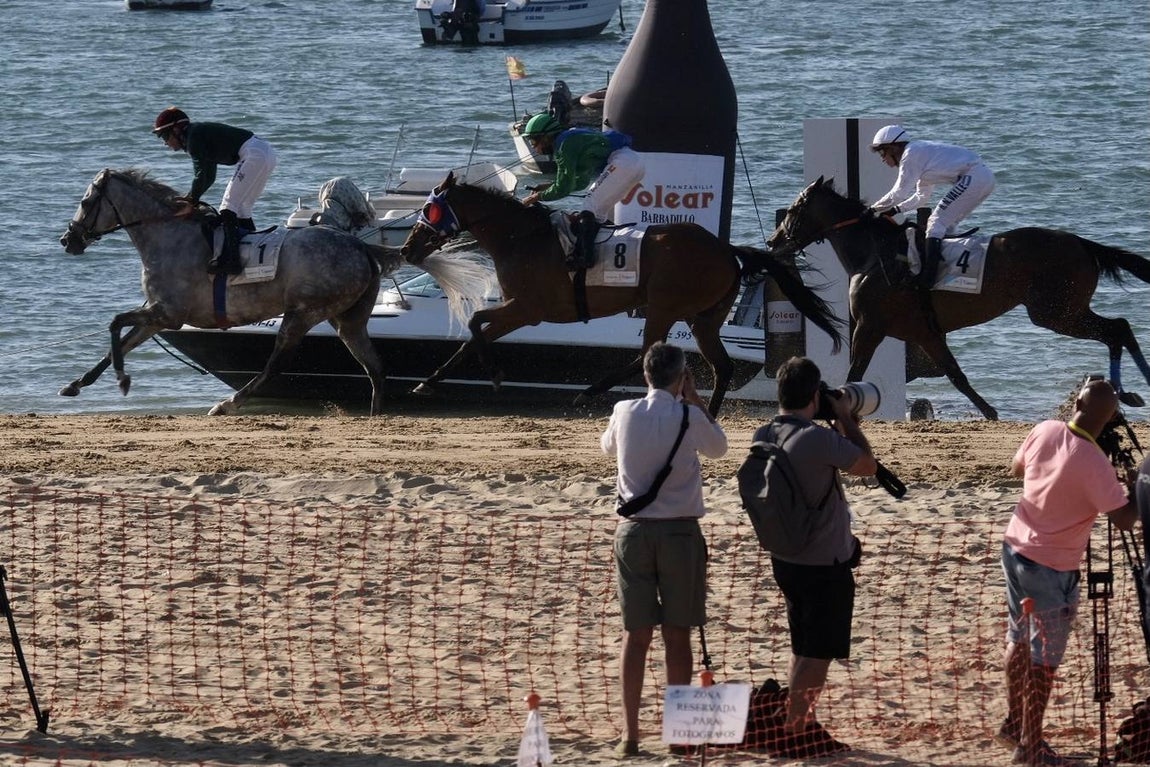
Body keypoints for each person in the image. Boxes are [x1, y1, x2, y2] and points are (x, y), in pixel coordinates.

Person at [999, 379, 1138, 767]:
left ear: (1076, 401)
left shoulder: (1045, 429)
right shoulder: (1095, 464)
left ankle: (1014, 723)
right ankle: (1030, 746)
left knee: (1018, 638)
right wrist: (1136, 488)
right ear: (1110, 418)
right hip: (1052, 566)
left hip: (1015, 546)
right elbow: (1124, 520)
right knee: (1044, 659)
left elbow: (1017, 468)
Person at [599, 342, 728, 758]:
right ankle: (677, 733)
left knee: (635, 636)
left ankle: (630, 734)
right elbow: (719, 448)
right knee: (677, 635)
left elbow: (607, 447)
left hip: (633, 531)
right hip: (679, 533)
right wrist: (696, 400)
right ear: (682, 377)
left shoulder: (624, 411)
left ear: (646, 375)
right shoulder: (689, 415)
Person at [755, 356, 876, 757]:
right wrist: (846, 419)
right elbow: (867, 465)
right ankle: (795, 731)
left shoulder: (765, 432)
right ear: (813, 396)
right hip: (823, 562)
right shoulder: (817, 439)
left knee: (803, 645)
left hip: (786, 556)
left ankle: (798, 720)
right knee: (818, 653)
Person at [867, 124, 995, 294]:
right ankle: (949, 272)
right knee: (946, 225)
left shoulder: (910, 155)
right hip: (982, 178)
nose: (883, 159)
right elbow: (922, 197)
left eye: (882, 153)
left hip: (974, 177)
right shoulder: (920, 157)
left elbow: (898, 193)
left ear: (893, 148)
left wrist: (872, 210)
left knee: (935, 222)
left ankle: (928, 279)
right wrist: (895, 210)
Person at [152, 107, 278, 275]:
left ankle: (233, 261)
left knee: (228, 207)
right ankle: (251, 253)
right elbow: (209, 177)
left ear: (176, 130)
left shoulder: (193, 138)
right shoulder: (196, 135)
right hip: (265, 152)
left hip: (254, 154)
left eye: (164, 136)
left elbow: (201, 175)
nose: (165, 143)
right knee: (242, 209)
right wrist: (192, 198)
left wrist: (191, 200)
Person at [520, 114, 645, 269]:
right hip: (634, 163)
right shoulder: (568, 141)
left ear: (546, 138)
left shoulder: (564, 145)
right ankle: (599, 250)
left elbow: (564, 188)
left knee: (589, 204)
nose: (533, 147)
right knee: (598, 213)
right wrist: (548, 186)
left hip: (623, 162)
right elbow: (580, 182)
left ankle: (585, 258)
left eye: (533, 141)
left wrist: (537, 197)